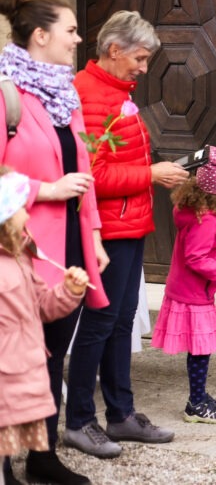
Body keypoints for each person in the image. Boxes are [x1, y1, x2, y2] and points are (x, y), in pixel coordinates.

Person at [66, 10, 188, 459]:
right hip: (107, 229)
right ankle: (80, 420)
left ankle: (120, 414)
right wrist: (149, 173)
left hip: (128, 224)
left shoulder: (116, 92)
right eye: (139, 57)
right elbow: (90, 175)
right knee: (99, 324)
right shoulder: (88, 94)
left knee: (120, 322)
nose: (144, 67)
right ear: (114, 50)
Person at [0, 0, 109, 485]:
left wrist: (95, 235)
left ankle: (42, 457)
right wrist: (47, 189)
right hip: (20, 250)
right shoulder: (6, 95)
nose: (78, 38)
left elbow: (81, 170)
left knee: (52, 354)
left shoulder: (64, 95)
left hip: (67, 248)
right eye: (70, 29)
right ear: (40, 36)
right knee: (11, 356)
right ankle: (4, 459)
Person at [0, 170, 89, 485]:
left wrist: (69, 291)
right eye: (22, 206)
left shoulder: (23, 257)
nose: (28, 211)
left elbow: (44, 307)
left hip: (22, 373)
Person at [150, 147, 216, 422]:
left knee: (201, 351)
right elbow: (195, 258)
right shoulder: (205, 220)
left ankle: (199, 396)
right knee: (200, 350)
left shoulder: (200, 213)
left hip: (192, 291)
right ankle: (195, 403)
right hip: (192, 295)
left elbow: (201, 251)